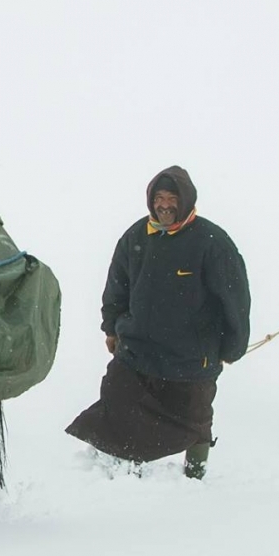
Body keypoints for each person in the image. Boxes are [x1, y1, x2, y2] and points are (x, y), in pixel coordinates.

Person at [65, 166, 251, 479]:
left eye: (172, 199)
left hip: (192, 355)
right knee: (117, 399)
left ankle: (195, 477)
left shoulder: (212, 242)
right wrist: (111, 327)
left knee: (195, 418)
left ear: (187, 200)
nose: (164, 205)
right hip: (138, 347)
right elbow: (116, 286)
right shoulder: (136, 236)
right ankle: (112, 469)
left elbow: (235, 300)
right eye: (159, 198)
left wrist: (232, 348)